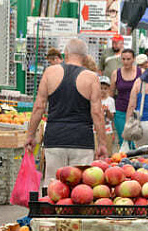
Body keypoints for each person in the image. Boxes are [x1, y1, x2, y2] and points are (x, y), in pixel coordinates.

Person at [25, 39, 108, 185]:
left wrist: (31, 135)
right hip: (82, 140)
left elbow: (39, 106)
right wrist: (102, 143)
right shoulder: (91, 77)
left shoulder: (50, 72)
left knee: (53, 187)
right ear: (85, 56)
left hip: (55, 138)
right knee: (80, 188)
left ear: (66, 53)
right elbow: (97, 113)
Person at [110, 48, 142, 150]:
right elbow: (111, 94)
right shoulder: (116, 73)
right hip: (120, 110)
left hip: (136, 111)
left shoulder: (141, 72)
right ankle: (124, 161)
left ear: (133, 59)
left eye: (128, 59)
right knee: (123, 138)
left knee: (135, 140)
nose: (126, 62)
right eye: (123, 59)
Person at [100, 76, 116, 155]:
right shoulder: (95, 99)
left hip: (107, 129)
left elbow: (112, 117)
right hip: (96, 130)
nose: (103, 91)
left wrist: (107, 111)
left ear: (109, 89)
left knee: (108, 151)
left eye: (105, 88)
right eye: (101, 88)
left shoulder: (110, 101)